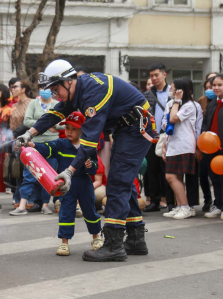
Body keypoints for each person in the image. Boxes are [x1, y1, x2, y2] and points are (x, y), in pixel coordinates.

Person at [17, 59, 153, 262]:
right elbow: (56, 113)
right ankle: (135, 239)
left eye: (56, 90)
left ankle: (113, 245)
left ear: (68, 81)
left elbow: (88, 143)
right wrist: (30, 133)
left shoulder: (93, 93)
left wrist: (70, 171)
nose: (55, 96)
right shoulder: (78, 89)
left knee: (117, 183)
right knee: (122, 182)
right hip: (126, 128)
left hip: (135, 129)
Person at [23, 112, 103, 256]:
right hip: (66, 185)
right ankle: (64, 243)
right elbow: (46, 148)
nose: (69, 132)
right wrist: (32, 144)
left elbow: (95, 168)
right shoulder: (61, 144)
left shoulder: (88, 146)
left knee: (90, 211)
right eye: (67, 128)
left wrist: (90, 165)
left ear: (82, 130)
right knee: (66, 212)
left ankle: (96, 237)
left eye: (73, 129)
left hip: (84, 183)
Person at [9, 86, 62, 215]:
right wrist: (44, 123)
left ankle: (45, 204)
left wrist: (53, 124)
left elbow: (64, 123)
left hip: (52, 144)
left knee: (49, 175)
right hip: (34, 143)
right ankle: (22, 205)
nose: (45, 90)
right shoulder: (33, 103)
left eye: (48, 87)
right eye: (42, 87)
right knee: (29, 175)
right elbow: (27, 121)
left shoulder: (57, 104)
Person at [161, 78, 201, 219]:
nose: (170, 90)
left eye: (172, 88)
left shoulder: (190, 106)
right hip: (172, 144)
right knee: (175, 176)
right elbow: (165, 124)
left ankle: (186, 207)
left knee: (170, 176)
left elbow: (173, 119)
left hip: (184, 145)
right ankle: (180, 206)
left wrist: (177, 102)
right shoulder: (171, 104)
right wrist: (165, 145)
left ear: (180, 90)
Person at [143, 63, 171, 212]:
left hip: (168, 136)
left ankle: (170, 200)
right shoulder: (147, 95)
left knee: (167, 169)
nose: (154, 78)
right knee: (152, 169)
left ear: (164, 75)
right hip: (152, 136)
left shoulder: (172, 92)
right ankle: (154, 201)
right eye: (151, 75)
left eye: (156, 75)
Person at [9, 80, 35, 209]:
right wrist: (13, 140)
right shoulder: (14, 105)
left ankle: (31, 199)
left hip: (29, 139)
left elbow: (29, 122)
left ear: (23, 89)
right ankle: (18, 198)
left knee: (30, 171)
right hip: (16, 140)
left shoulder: (32, 102)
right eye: (12, 87)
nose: (12, 89)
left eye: (15, 87)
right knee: (18, 170)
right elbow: (11, 126)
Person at [201, 74, 223, 219]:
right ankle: (219, 205)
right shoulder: (212, 104)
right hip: (211, 148)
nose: (215, 88)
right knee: (214, 178)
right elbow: (206, 123)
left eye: (219, 85)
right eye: (214, 85)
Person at [197, 76, 218, 211]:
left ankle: (218, 202)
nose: (212, 89)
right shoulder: (204, 102)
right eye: (209, 87)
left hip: (218, 145)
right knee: (205, 174)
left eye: (216, 85)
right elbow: (202, 124)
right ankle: (210, 200)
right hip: (207, 145)